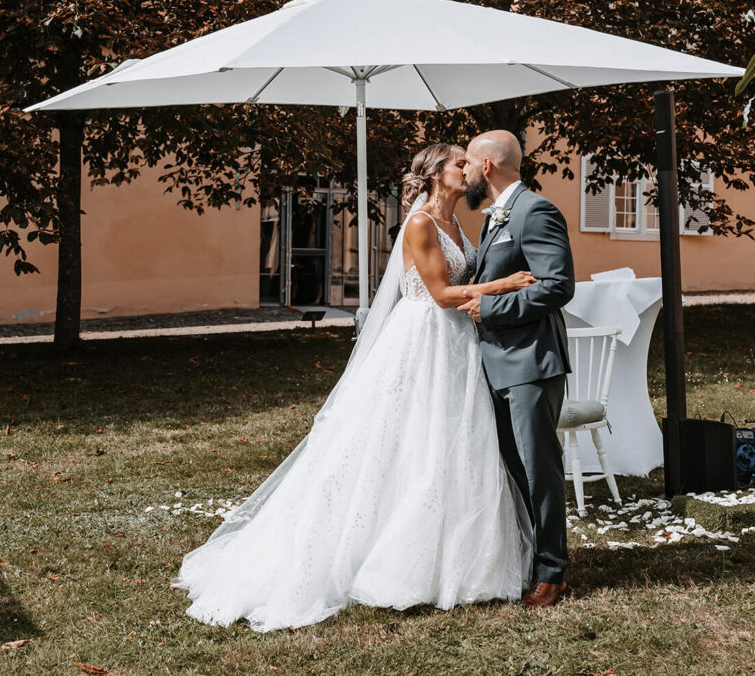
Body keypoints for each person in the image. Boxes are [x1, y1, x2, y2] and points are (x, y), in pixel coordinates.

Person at [173, 143, 536, 632]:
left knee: (451, 443)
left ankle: (455, 558)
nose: (468, 168)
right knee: (403, 442)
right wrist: (503, 284)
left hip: (455, 346)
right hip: (423, 340)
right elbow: (442, 294)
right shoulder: (422, 223)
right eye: (458, 163)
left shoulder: (457, 223)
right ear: (434, 174)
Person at [457, 130, 575, 608]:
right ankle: (529, 556)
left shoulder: (534, 211)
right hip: (497, 363)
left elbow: (557, 286)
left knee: (537, 467)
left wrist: (493, 311)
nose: (461, 172)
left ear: (486, 166)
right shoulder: (495, 217)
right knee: (512, 465)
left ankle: (553, 572)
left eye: (465, 163)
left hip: (529, 361)